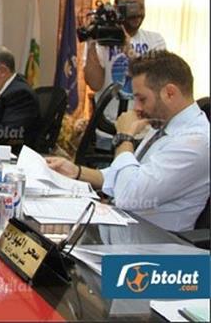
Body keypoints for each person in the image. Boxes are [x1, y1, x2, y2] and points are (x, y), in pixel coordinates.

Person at [48, 51, 209, 232]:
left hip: (154, 242)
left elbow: (129, 195)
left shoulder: (195, 143)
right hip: (125, 227)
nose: (137, 108)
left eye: (142, 99)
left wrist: (125, 137)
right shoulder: (162, 123)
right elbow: (126, 175)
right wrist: (77, 172)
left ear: (170, 93)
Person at [83, 0, 167, 148]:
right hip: (108, 131)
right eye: (131, 6)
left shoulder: (155, 40)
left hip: (144, 133)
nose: (137, 12)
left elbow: (155, 80)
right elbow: (94, 84)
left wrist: (128, 49)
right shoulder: (102, 42)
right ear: (117, 9)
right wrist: (91, 43)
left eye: (141, 6)